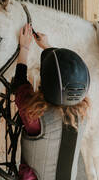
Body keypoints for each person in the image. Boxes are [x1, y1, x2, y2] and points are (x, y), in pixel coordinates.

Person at [12, 24, 91, 180]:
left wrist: (24, 48)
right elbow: (65, 75)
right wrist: (47, 47)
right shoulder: (82, 114)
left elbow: (20, 85)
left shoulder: (36, 117)